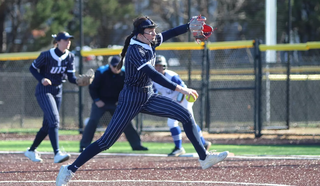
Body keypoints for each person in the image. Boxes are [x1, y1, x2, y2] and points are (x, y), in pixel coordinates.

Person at [56, 16, 229, 185]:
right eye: (150, 31)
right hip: (130, 100)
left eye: (154, 30)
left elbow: (169, 34)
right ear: (140, 33)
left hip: (147, 96)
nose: (154, 34)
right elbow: (153, 74)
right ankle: (69, 169)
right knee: (106, 142)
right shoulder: (135, 50)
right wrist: (181, 89)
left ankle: (204, 158)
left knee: (185, 115)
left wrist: (188, 26)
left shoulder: (149, 41)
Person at [25, 31, 88, 164]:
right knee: (54, 120)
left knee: (47, 125)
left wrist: (78, 81)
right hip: (44, 90)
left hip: (57, 91)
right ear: (58, 42)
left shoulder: (70, 56)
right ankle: (57, 153)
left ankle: (31, 150)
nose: (68, 42)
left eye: (69, 40)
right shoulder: (46, 55)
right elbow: (32, 68)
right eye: (65, 40)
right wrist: (42, 79)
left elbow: (70, 77)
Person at [79, 55, 148, 152]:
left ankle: (137, 145)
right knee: (93, 121)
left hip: (116, 102)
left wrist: (122, 101)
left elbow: (128, 89)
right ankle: (84, 146)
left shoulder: (126, 73)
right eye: (114, 66)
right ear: (110, 65)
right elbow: (92, 88)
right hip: (101, 101)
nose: (116, 68)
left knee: (126, 121)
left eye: (118, 66)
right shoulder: (101, 72)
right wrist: (97, 100)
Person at [153, 55, 211, 156]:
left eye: (160, 66)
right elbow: (153, 92)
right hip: (173, 101)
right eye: (156, 66)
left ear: (165, 67)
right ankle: (195, 144)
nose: (158, 68)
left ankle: (186, 146)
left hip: (183, 99)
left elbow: (183, 89)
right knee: (172, 123)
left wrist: (178, 103)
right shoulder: (153, 79)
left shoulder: (171, 76)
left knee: (188, 121)